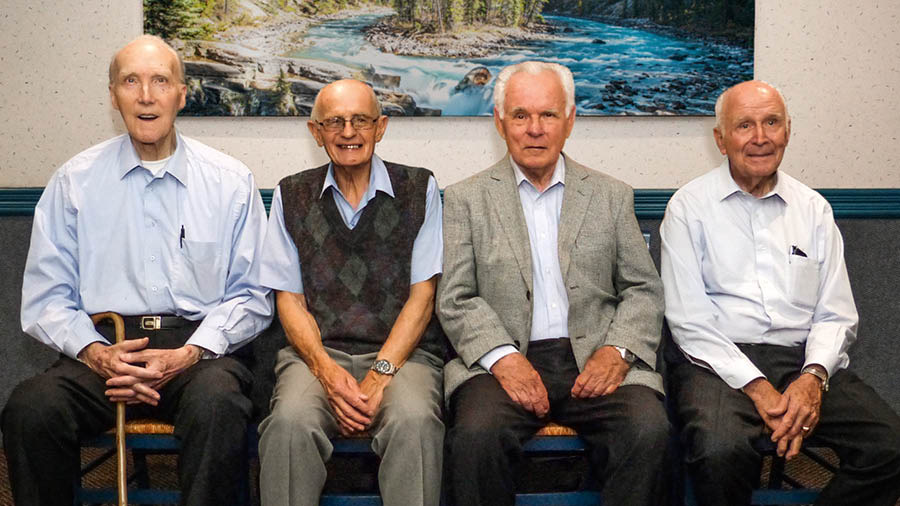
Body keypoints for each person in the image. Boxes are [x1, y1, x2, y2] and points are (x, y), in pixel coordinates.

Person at [1, 35, 273, 506]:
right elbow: (47, 298)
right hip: (103, 349)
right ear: (113, 96)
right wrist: (97, 354)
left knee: (220, 404)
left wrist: (189, 353)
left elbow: (253, 295)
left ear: (181, 95)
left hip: (198, 353)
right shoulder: (74, 181)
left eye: (160, 81)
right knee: (30, 409)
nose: (146, 96)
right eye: (131, 81)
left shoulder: (230, 182)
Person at [437, 61, 671, 506]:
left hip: (595, 354)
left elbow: (643, 289)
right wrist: (503, 358)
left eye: (548, 115)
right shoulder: (466, 198)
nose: (535, 129)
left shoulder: (610, 195)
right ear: (500, 123)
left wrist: (617, 350)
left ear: (570, 120)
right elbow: (455, 297)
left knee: (648, 431)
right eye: (520, 115)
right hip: (502, 358)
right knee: (476, 436)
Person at [661, 80, 900, 506]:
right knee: (720, 450)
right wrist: (758, 388)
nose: (760, 137)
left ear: (788, 131)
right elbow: (689, 322)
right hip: (716, 362)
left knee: (890, 447)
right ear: (720, 139)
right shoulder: (688, 207)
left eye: (772, 123)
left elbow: (836, 314)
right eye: (744, 125)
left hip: (800, 359)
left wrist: (813, 377)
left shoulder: (813, 209)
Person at [256, 79, 445, 506]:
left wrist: (379, 375)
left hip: (403, 355)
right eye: (334, 122)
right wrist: (325, 371)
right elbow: (290, 301)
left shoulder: (419, 189)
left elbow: (422, 298)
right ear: (315, 132)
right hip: (316, 354)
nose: (348, 132)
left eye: (360, 120)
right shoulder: (292, 193)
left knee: (414, 421)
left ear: (381, 127)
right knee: (289, 423)